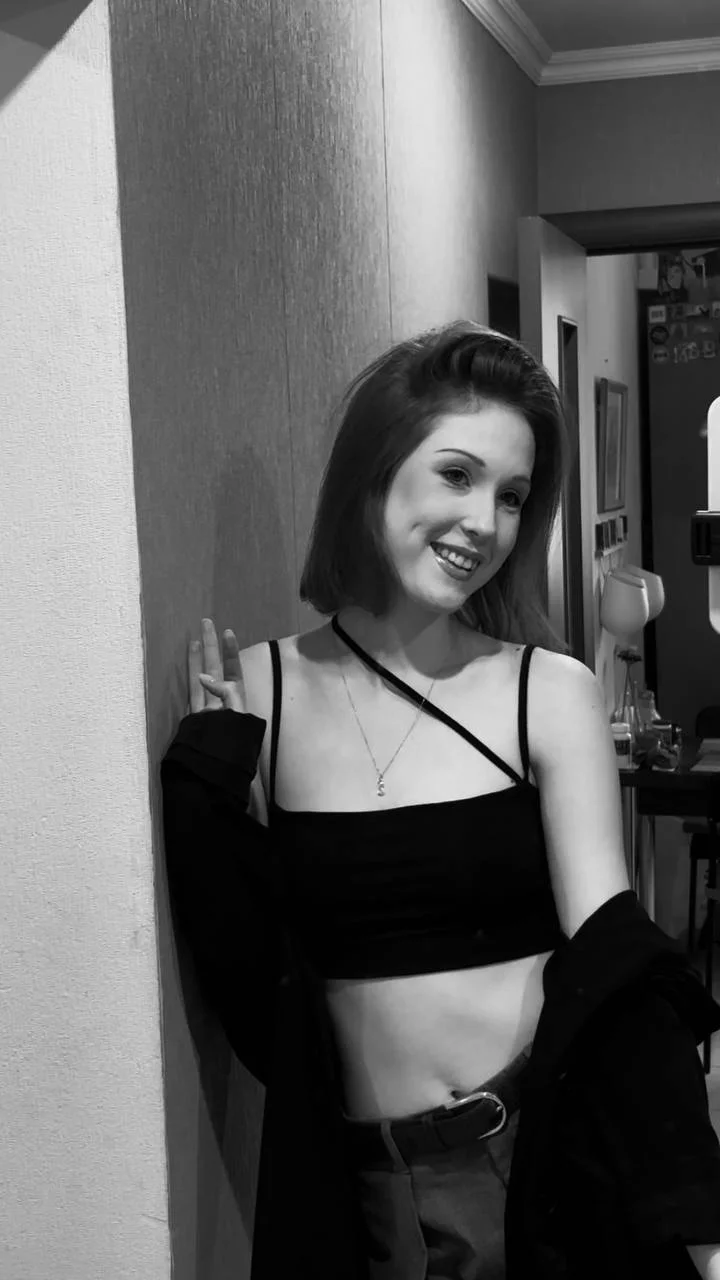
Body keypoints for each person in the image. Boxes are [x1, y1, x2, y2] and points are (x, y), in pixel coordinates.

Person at [161, 321, 720, 1280]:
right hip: (359, 1192)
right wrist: (204, 785)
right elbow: (249, 978)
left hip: (541, 1164)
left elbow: (614, 956)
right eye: (457, 475)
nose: (485, 524)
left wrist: (698, 1222)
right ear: (375, 469)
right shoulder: (262, 693)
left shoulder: (546, 690)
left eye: (511, 496)